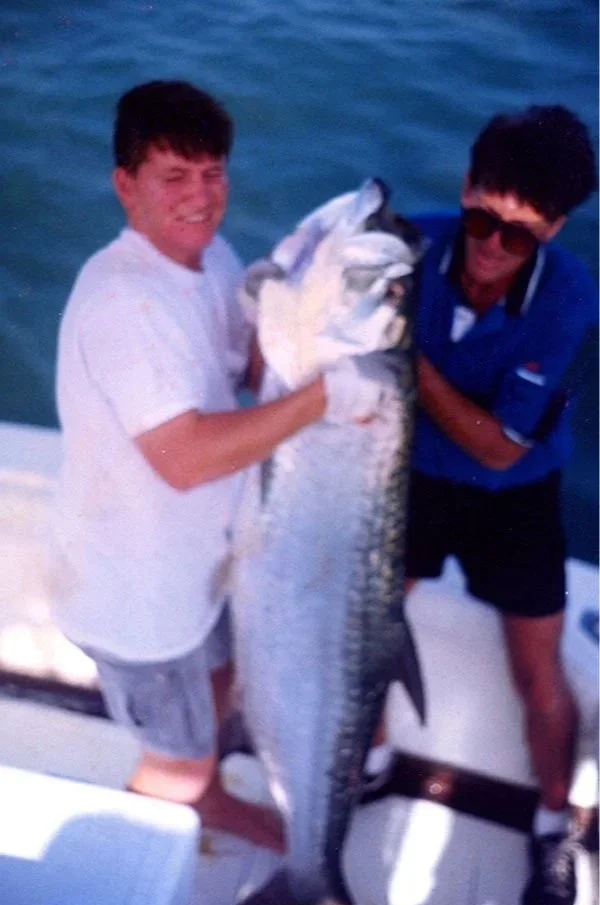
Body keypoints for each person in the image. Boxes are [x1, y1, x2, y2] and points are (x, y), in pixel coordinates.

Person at [51, 79, 384, 852]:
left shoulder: (209, 254)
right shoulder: (122, 301)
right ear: (125, 185)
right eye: (175, 177)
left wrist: (288, 306)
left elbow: (243, 367)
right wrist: (324, 398)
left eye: (214, 174)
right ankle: (137, 904)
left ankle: (209, 798)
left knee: (216, 698)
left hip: (202, 567)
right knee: (171, 768)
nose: (201, 197)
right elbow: (187, 458)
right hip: (136, 595)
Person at [404, 105, 598, 905]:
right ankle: (369, 761)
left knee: (538, 674)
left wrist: (400, 360)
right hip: (405, 476)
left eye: (516, 235)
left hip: (514, 495)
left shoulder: (569, 301)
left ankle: (553, 823)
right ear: (464, 190)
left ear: (552, 229)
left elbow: (497, 450)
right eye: (480, 217)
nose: (488, 244)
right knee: (361, 617)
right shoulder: (403, 245)